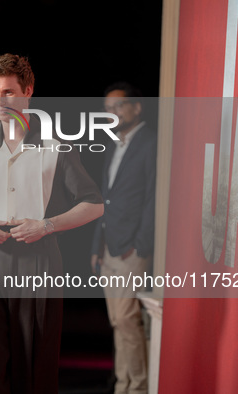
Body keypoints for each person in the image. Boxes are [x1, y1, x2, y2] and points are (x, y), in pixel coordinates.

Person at [0, 53, 104, 393]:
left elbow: (94, 204)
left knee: (35, 370)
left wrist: (46, 226)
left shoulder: (56, 147)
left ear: (28, 90)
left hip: (39, 259)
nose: (0, 101)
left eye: (8, 92)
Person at [90, 82, 156, 394]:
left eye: (118, 107)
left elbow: (153, 198)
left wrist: (139, 245)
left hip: (131, 249)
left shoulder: (149, 142)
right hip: (109, 247)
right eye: (107, 110)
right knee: (118, 322)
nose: (112, 114)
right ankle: (123, 385)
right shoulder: (117, 144)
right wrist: (97, 245)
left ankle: (139, 388)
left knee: (128, 321)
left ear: (136, 107)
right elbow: (106, 200)